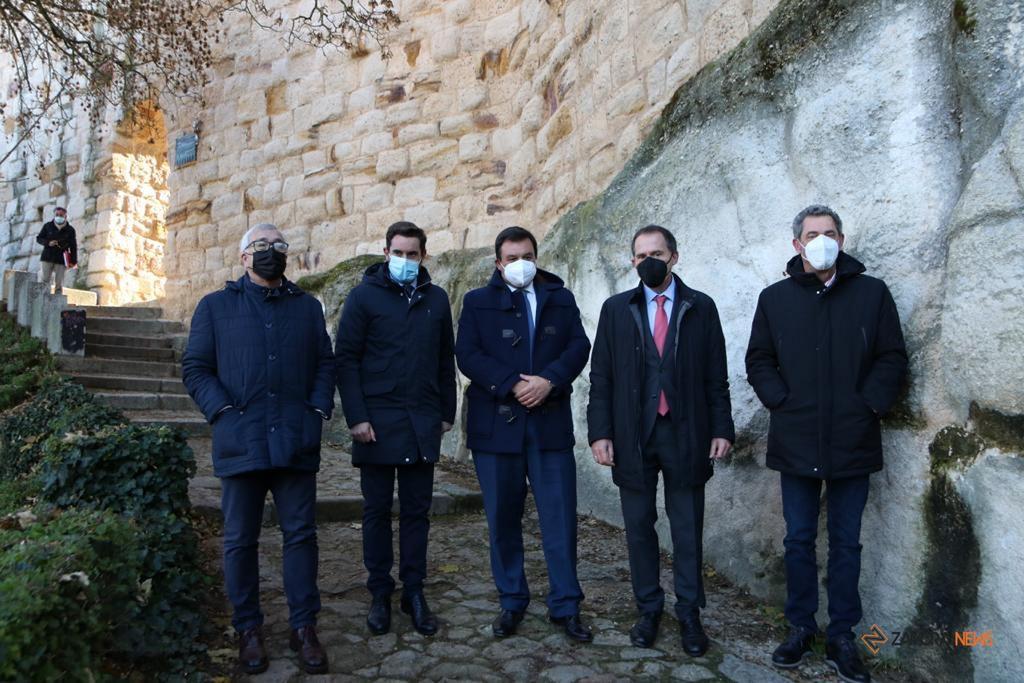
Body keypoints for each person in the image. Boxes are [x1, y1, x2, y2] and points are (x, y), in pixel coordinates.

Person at [745, 205, 907, 683]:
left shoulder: (872, 293)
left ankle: (841, 635)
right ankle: (800, 627)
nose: (821, 240)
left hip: (852, 438)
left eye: (829, 233)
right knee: (797, 538)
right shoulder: (775, 298)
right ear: (797, 243)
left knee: (846, 542)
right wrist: (781, 401)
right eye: (812, 234)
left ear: (842, 238)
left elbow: (891, 356)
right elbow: (759, 359)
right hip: (795, 438)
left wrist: (868, 406)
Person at [181, 223, 335, 675]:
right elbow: (195, 368)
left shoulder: (307, 308)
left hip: (294, 439)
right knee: (239, 541)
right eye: (261, 246)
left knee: (301, 537)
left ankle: (304, 626)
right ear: (244, 257)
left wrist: (318, 411)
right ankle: (247, 627)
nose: (271, 252)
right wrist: (222, 412)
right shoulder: (214, 307)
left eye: (279, 246)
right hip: (240, 440)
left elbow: (325, 363)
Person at [587, 224, 734, 657]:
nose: (647, 260)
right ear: (632, 262)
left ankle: (690, 612)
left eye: (656, 252)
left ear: (674, 256)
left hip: (686, 433)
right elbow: (602, 378)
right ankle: (648, 608)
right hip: (633, 435)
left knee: (687, 528)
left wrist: (721, 428)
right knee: (638, 527)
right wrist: (600, 433)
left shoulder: (700, 307)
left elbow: (716, 376)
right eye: (639, 255)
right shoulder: (616, 310)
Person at [455, 226, 593, 642]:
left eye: (527, 255)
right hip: (497, 426)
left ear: (537, 256)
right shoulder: (477, 302)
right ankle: (511, 600)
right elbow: (468, 353)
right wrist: (513, 383)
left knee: (560, 517)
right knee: (502, 517)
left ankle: (566, 605)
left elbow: (578, 346)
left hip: (548, 425)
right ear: (499, 263)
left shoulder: (560, 298)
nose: (521, 264)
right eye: (512, 257)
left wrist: (548, 380)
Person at [334, 221, 456, 637]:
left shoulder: (436, 300)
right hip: (377, 424)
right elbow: (346, 359)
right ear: (385, 253)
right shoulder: (363, 297)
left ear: (423, 256)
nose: (405, 260)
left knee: (417, 512)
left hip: (422, 421)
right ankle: (379, 592)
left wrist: (446, 413)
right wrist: (356, 417)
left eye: (413, 253)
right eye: (398, 253)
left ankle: (415, 590)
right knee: (376, 511)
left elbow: (445, 359)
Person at [35, 207, 77, 294]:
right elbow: (39, 238)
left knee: (59, 282)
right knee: (45, 280)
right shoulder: (47, 226)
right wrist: (48, 243)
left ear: (65, 216)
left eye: (61, 215)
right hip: (47, 257)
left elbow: (73, 246)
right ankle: (43, 298)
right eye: (57, 215)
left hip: (61, 258)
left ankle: (57, 301)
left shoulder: (70, 230)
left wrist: (73, 261)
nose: (58, 216)